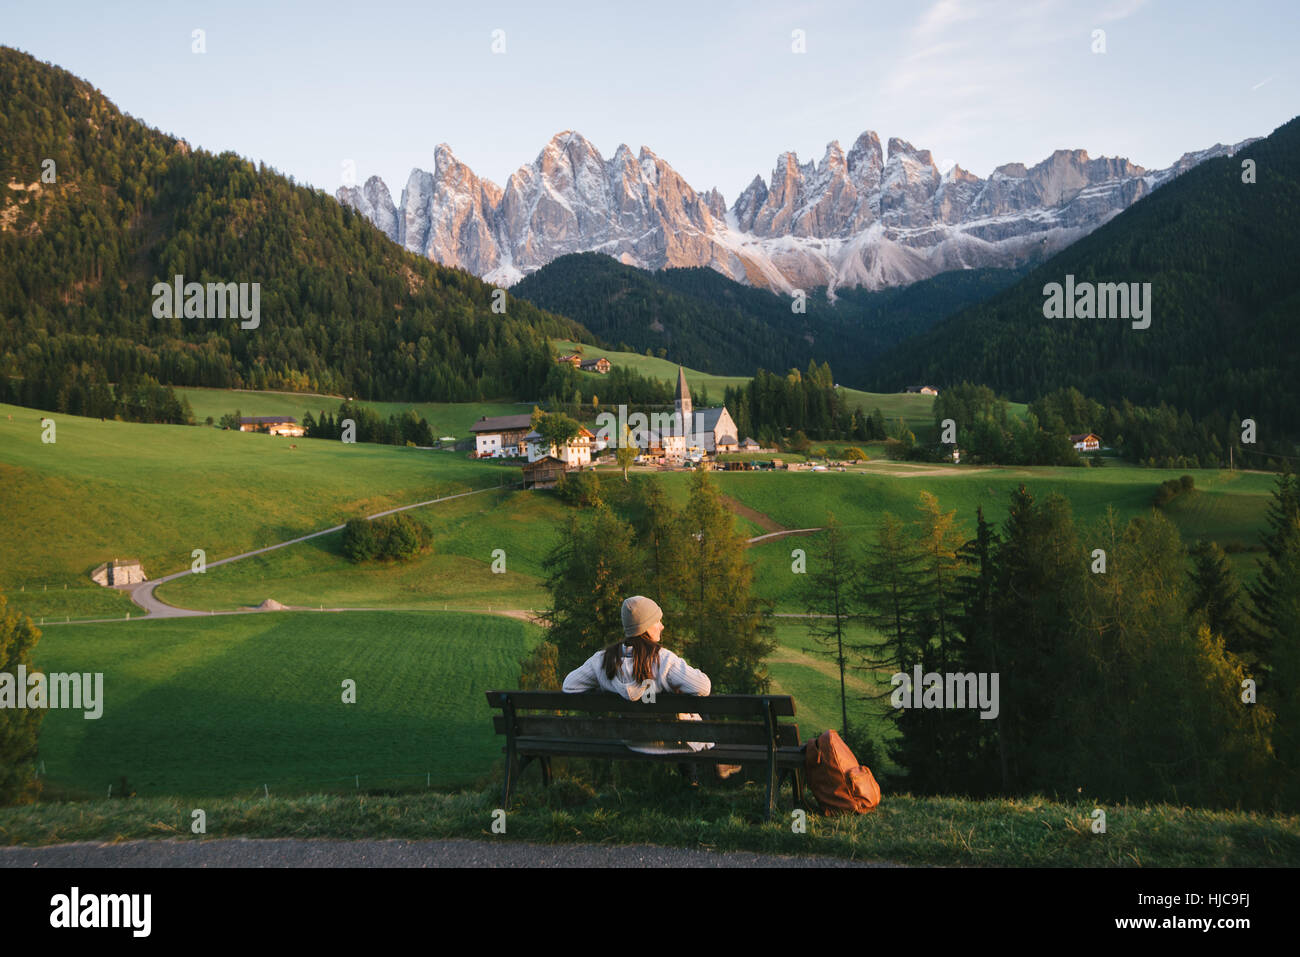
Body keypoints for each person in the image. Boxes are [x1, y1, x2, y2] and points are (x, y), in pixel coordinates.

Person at [562, 596, 713, 771]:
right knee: (694, 705)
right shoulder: (664, 660)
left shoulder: (603, 660)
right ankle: (693, 784)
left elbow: (569, 686)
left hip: (633, 740)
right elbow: (704, 687)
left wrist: (607, 685)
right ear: (646, 627)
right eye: (658, 621)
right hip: (672, 742)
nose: (662, 626)